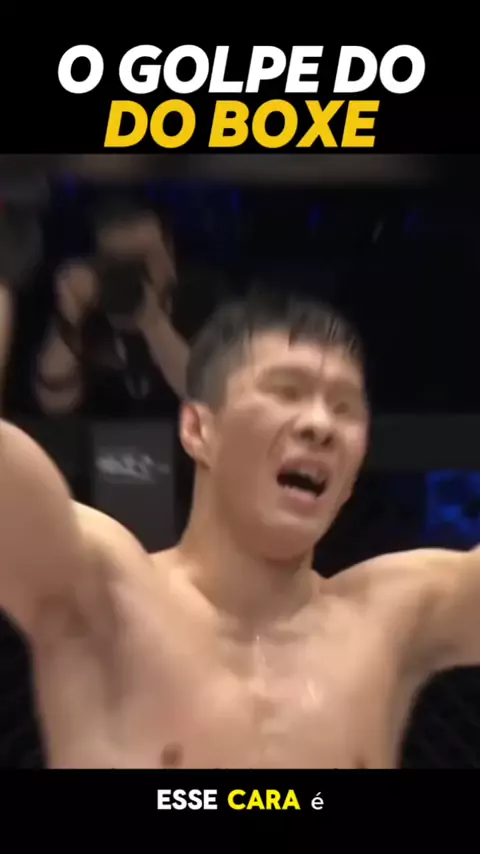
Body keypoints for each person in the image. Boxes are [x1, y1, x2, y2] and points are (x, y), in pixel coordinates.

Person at [1, 290, 479, 769]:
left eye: (344, 408)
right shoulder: (103, 593)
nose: (321, 425)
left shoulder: (392, 617)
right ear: (198, 430)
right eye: (287, 392)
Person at [34, 208, 188, 415]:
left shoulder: (199, 301)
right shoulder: (88, 320)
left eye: (142, 264)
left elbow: (206, 398)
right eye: (118, 264)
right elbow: (54, 403)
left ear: (169, 258)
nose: (130, 278)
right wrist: (69, 317)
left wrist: (153, 323)